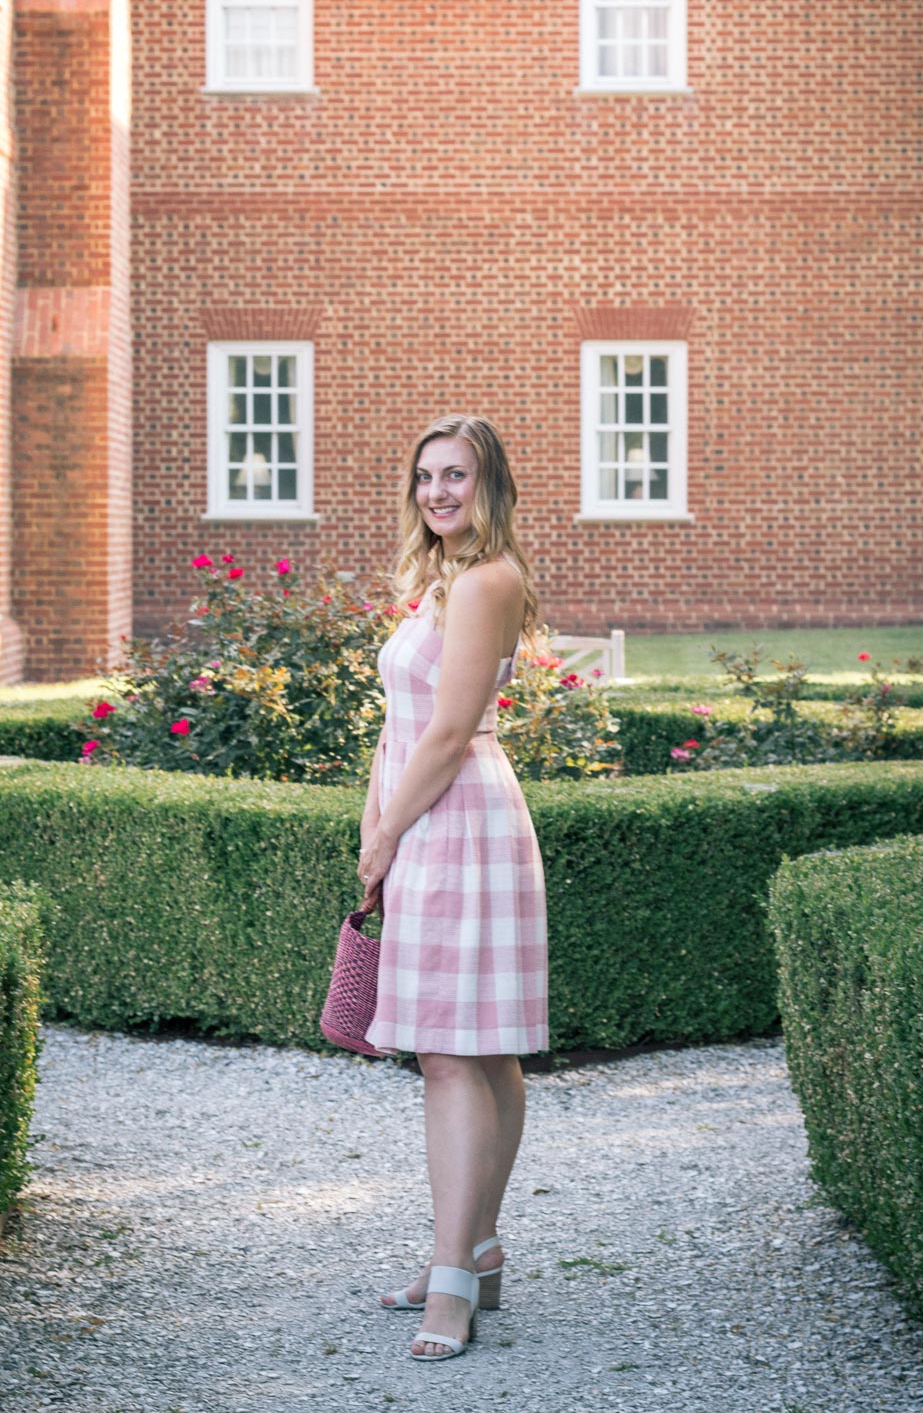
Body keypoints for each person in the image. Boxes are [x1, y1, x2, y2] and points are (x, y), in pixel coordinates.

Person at [357, 413, 549, 1363]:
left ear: (490, 487)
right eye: (425, 476)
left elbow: (446, 729)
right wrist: (373, 819)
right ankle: (478, 1249)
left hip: (457, 817)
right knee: (478, 1050)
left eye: (456, 477)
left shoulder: (488, 580)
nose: (437, 492)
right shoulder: (439, 580)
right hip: (425, 809)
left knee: (450, 1052)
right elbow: (399, 724)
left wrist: (388, 830)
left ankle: (452, 1282)